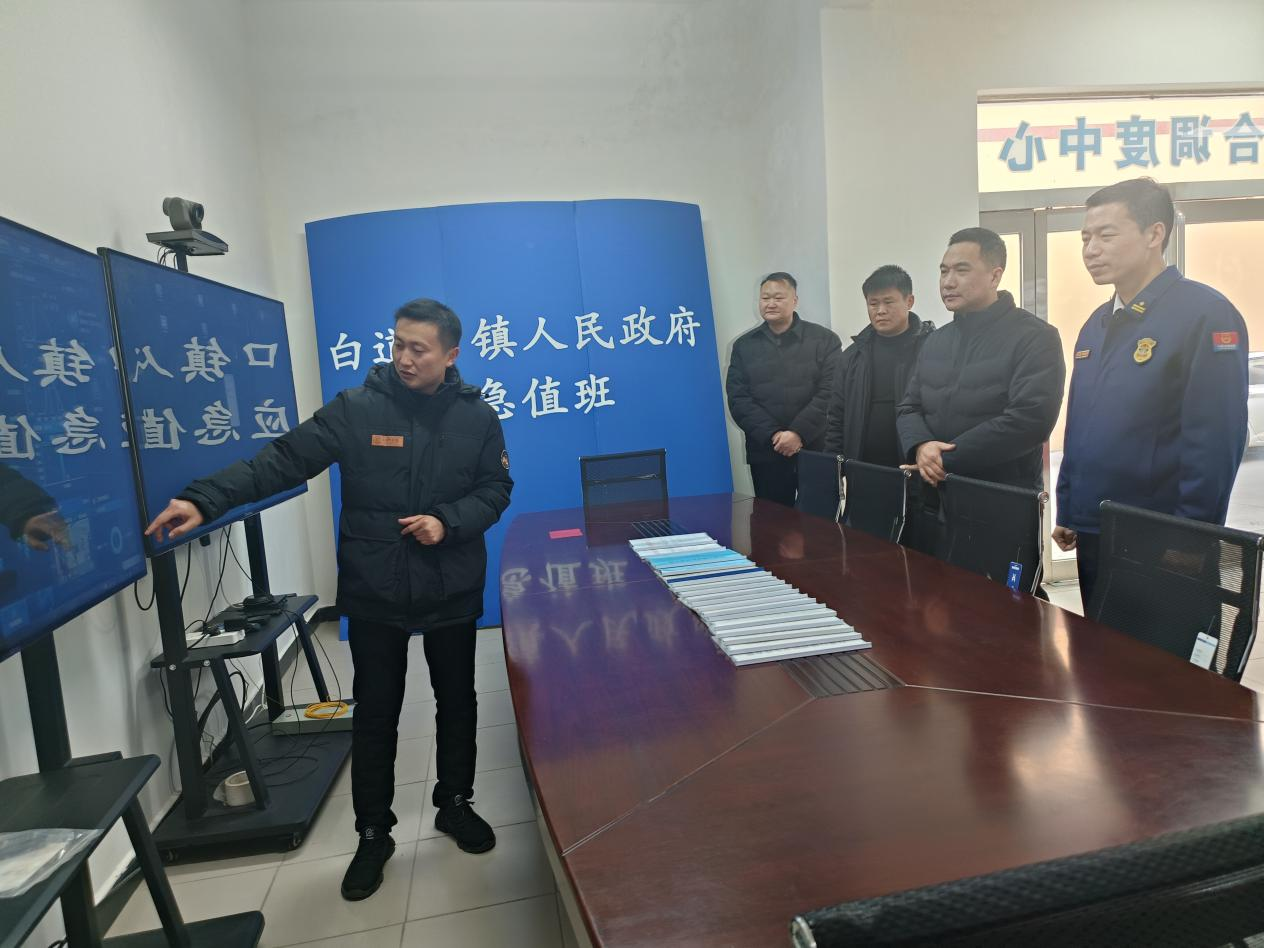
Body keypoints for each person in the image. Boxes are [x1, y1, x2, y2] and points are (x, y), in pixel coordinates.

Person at [145, 298, 513, 901]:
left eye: (419, 349)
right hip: (374, 588)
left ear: (451, 354)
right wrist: (206, 499)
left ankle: (454, 803)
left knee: (458, 701)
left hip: (450, 583)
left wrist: (448, 521)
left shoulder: (478, 418)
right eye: (398, 344)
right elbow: (283, 460)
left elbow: (496, 488)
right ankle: (373, 832)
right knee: (376, 713)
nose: (404, 358)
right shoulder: (357, 408)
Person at [1053, 178, 1248, 606]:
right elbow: (1082, 425)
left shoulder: (1205, 314)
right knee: (1100, 643)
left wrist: (1191, 537)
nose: (1090, 250)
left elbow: (1215, 440)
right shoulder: (1096, 324)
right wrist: (1070, 506)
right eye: (1085, 238)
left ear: (1154, 234)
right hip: (1096, 528)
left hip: (1160, 538)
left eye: (1106, 235)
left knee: (1157, 648)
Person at [897, 227, 1065, 491]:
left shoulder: (1035, 337)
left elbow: (1031, 420)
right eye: (944, 271)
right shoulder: (936, 340)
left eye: (961, 271)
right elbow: (909, 407)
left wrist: (943, 459)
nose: (948, 282)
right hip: (934, 495)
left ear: (994, 276)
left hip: (999, 495)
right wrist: (920, 445)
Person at [726, 271, 841, 506]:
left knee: (820, 519)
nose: (770, 303)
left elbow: (832, 392)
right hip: (766, 451)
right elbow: (738, 399)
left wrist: (798, 433)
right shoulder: (744, 346)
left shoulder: (825, 340)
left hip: (816, 448)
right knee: (772, 521)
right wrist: (774, 435)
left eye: (778, 298)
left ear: (794, 301)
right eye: (765, 298)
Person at [824, 265, 934, 465]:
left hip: (917, 464)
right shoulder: (852, 356)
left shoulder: (933, 348)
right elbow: (836, 418)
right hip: (863, 465)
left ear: (909, 301)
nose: (880, 311)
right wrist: (834, 466)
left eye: (888, 302)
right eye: (873, 303)